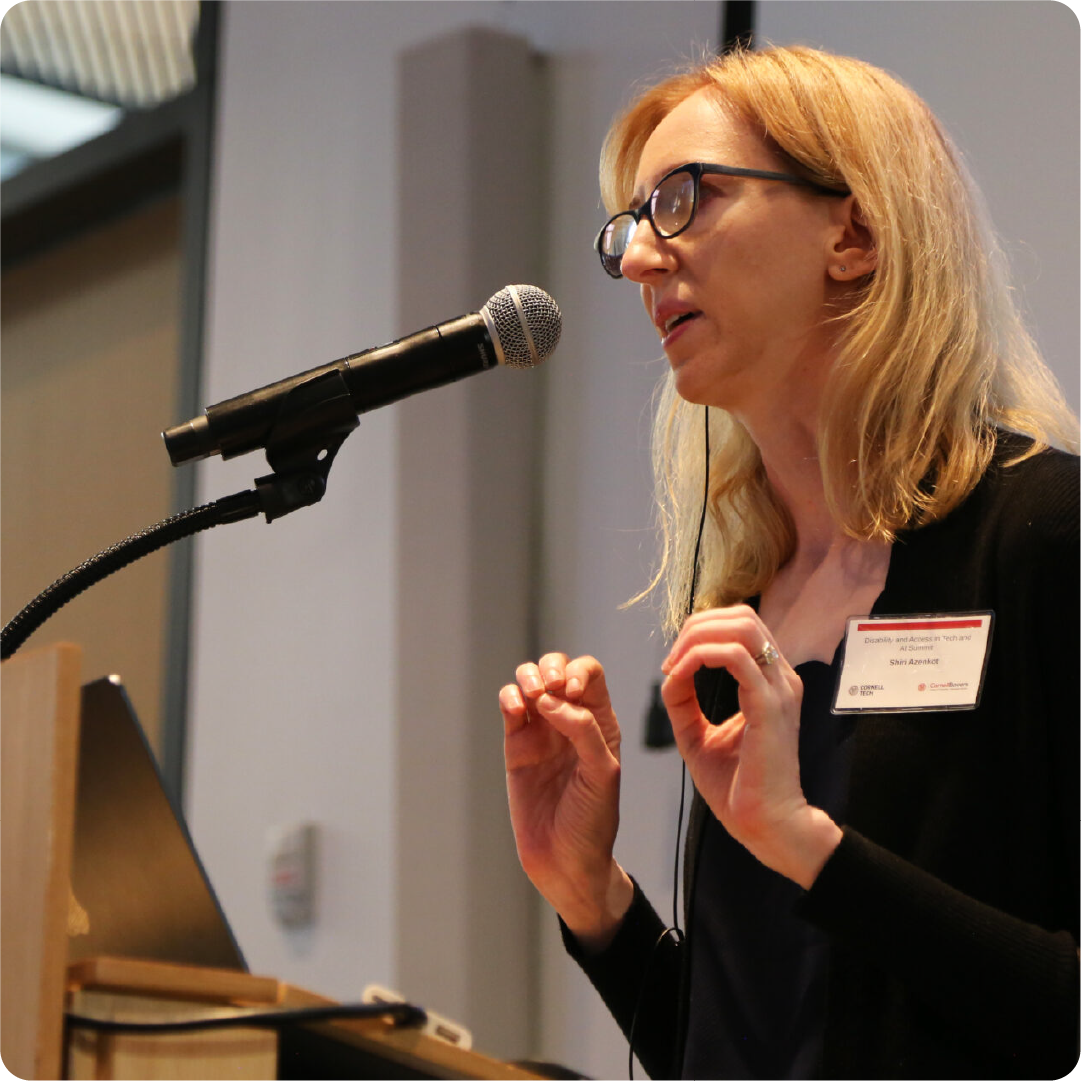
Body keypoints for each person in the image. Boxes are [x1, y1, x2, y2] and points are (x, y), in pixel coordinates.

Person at [498, 44, 1081, 1081]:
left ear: (850, 231)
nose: (638, 259)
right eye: (632, 223)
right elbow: (740, 1046)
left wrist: (804, 842)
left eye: (685, 199)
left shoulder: (1044, 533)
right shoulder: (738, 610)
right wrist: (593, 900)